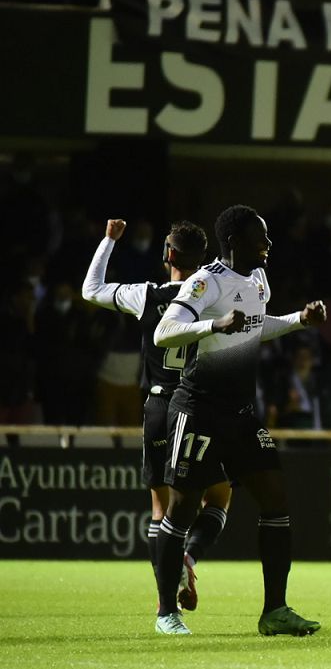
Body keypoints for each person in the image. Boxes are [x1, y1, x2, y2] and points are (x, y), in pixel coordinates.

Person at [151, 204, 327, 636]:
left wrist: (298, 321)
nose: (268, 244)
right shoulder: (205, 281)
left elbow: (255, 326)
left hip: (241, 413)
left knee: (275, 499)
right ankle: (165, 613)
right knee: (183, 507)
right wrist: (213, 325)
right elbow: (164, 332)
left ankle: (275, 612)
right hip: (198, 410)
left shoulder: (258, 279)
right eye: (259, 237)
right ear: (234, 242)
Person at [82, 218, 232, 614]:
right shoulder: (214, 300)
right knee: (218, 495)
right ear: (205, 260)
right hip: (199, 406)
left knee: (161, 510)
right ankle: (190, 556)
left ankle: (166, 600)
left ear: (168, 255)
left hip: (158, 406)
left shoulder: (145, 295)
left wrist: (109, 240)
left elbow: (91, 289)